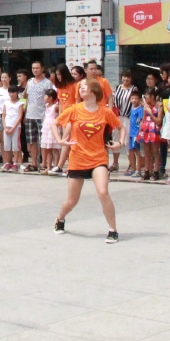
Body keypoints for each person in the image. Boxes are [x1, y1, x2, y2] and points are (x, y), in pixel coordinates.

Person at [53, 78, 122, 243]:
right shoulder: (73, 109)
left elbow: (121, 127)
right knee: (72, 201)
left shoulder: (105, 111)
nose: (82, 88)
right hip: (77, 159)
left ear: (94, 89)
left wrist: (120, 142)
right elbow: (55, 124)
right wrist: (60, 140)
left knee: (103, 192)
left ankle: (113, 230)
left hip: (98, 159)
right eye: (80, 86)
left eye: (85, 85)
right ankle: (60, 218)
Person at [23, 61, 51, 174]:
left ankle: (44, 163)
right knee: (32, 141)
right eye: (33, 68)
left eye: (37, 68)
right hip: (30, 115)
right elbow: (26, 97)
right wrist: (25, 113)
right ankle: (34, 163)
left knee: (43, 141)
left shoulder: (47, 83)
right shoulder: (29, 82)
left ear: (42, 68)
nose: (35, 70)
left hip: (42, 116)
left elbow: (51, 99)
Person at [112, 70, 136, 173]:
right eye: (124, 76)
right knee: (115, 139)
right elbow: (113, 101)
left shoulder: (134, 89)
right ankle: (115, 163)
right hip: (117, 117)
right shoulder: (117, 88)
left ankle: (131, 164)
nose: (126, 79)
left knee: (127, 141)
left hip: (128, 118)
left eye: (128, 77)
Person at [138, 87, 162, 181]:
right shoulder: (146, 106)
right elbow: (143, 119)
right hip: (146, 129)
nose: (145, 98)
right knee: (147, 151)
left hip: (154, 129)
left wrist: (150, 113)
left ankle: (156, 171)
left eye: (146, 96)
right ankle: (147, 171)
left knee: (155, 151)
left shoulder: (159, 106)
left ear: (152, 96)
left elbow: (158, 121)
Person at [40, 89, 61, 174]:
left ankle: (56, 166)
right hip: (46, 126)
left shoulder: (56, 106)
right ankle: (49, 167)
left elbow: (59, 115)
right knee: (48, 148)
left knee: (55, 148)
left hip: (53, 126)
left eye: (46, 96)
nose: (44, 97)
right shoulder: (46, 105)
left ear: (51, 97)